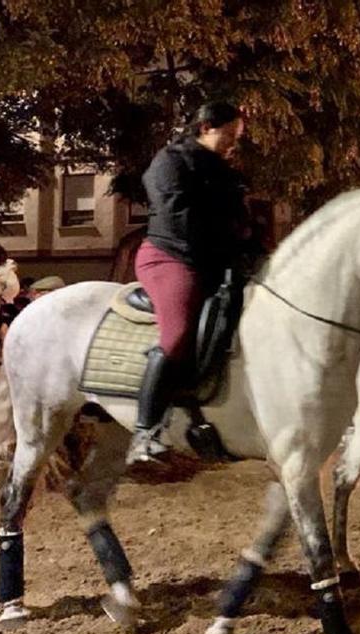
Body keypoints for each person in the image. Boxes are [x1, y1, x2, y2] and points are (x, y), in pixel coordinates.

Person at [130, 100, 254, 461]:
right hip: (171, 257)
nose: (233, 142)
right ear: (205, 128)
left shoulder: (226, 172)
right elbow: (175, 216)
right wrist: (222, 247)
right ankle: (145, 431)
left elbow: (241, 222)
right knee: (179, 332)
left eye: (236, 136)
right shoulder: (170, 162)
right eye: (229, 134)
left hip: (215, 263)